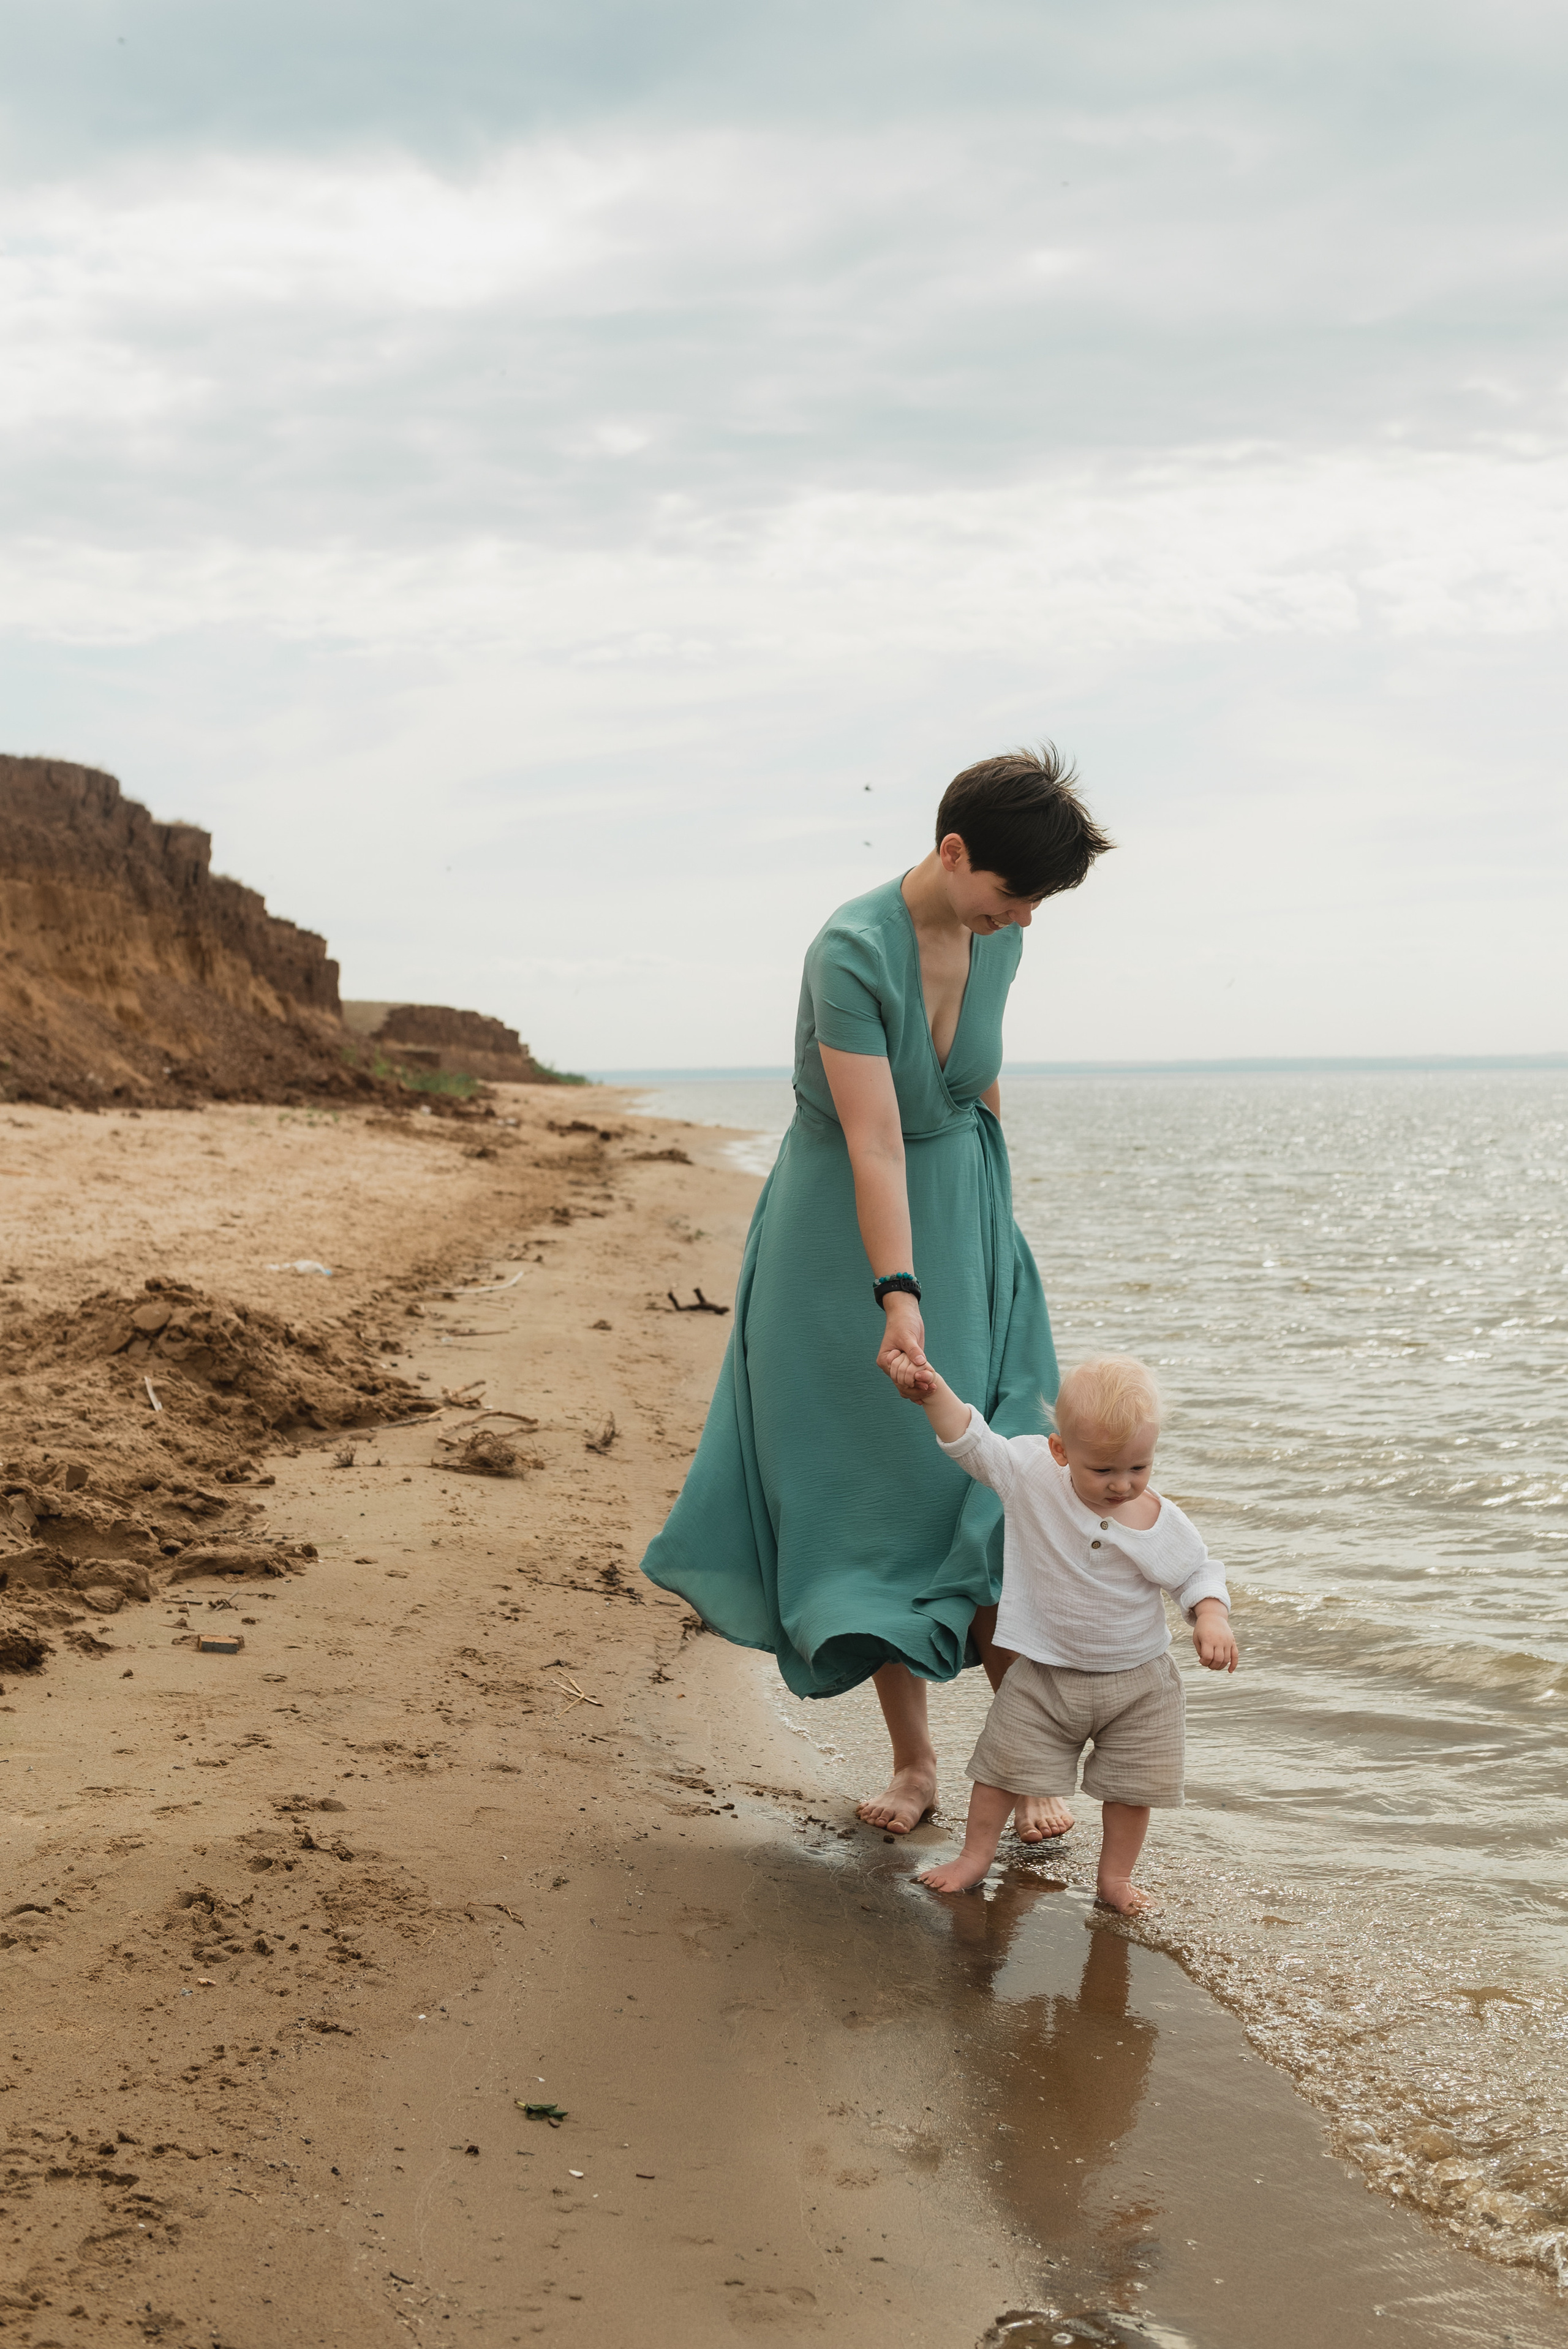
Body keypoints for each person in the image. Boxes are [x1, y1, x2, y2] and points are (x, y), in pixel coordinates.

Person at [640, 746, 1113, 1836]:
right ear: (952, 851)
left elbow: (978, 1088)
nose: (1025, 919)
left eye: (1039, 903)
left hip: (964, 1218)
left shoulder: (999, 937)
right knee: (878, 1497)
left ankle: (1025, 1758)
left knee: (1000, 1483)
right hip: (841, 1240)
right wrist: (897, 1291)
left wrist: (996, 1229)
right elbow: (874, 1140)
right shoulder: (851, 950)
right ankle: (914, 1763)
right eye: (1015, 893)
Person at [880, 1350, 1238, 1913]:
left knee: (1131, 1791)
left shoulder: (1159, 1520)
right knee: (1000, 1771)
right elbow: (973, 1441)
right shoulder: (1031, 1477)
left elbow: (1197, 1573)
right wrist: (933, 1392)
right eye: (1104, 1470)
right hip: (1043, 1674)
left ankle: (1115, 1880)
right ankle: (973, 1858)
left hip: (1140, 1684)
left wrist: (1211, 1616)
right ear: (1060, 1451)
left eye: (1139, 1467)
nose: (1123, 1485)